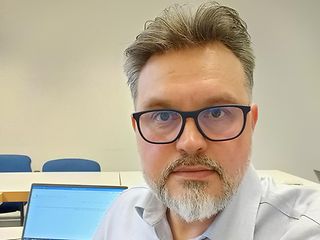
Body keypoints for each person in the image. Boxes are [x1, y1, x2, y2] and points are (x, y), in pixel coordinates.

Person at [94, 1, 320, 239]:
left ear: (251, 123)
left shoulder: (304, 229)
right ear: (137, 130)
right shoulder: (122, 215)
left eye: (216, 113)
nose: (190, 142)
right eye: (163, 116)